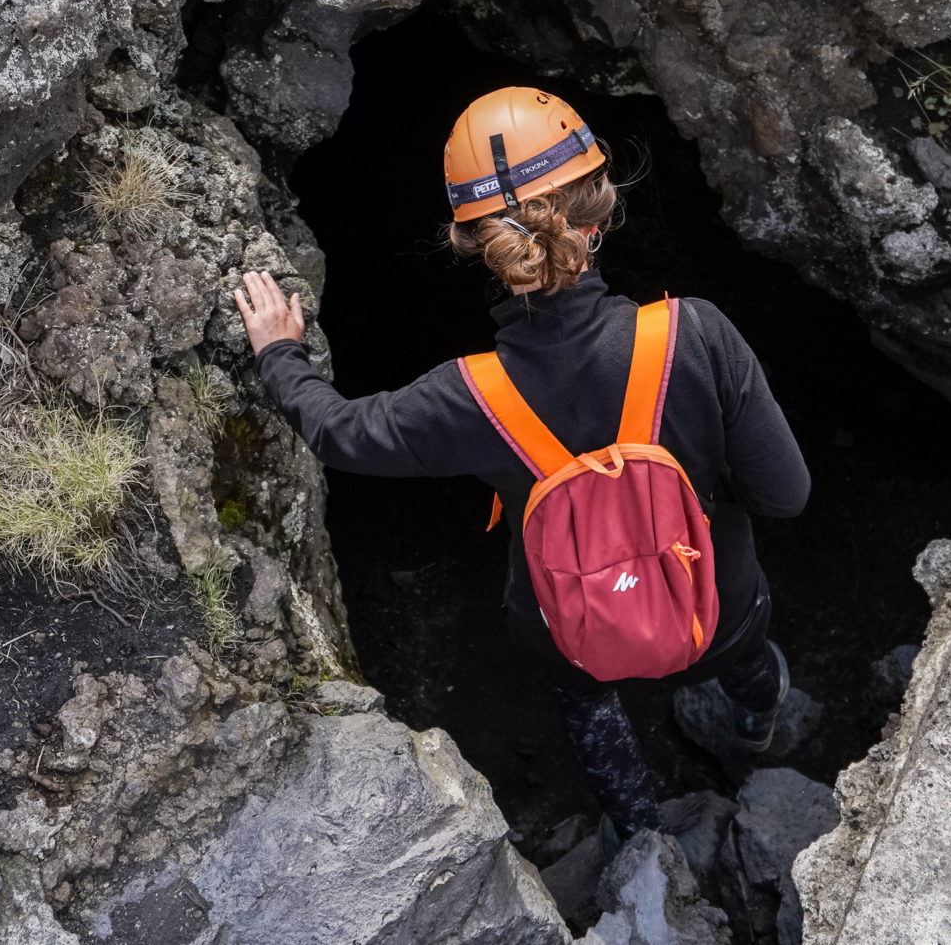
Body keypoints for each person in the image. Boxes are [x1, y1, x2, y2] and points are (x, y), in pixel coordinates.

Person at [233, 86, 811, 841]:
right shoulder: (695, 335)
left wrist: (281, 354)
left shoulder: (469, 397)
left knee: (585, 704)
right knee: (746, 656)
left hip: (572, 633)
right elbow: (786, 494)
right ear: (599, 217)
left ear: (476, 245)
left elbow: (341, 431)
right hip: (718, 607)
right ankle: (754, 730)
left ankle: (644, 841)